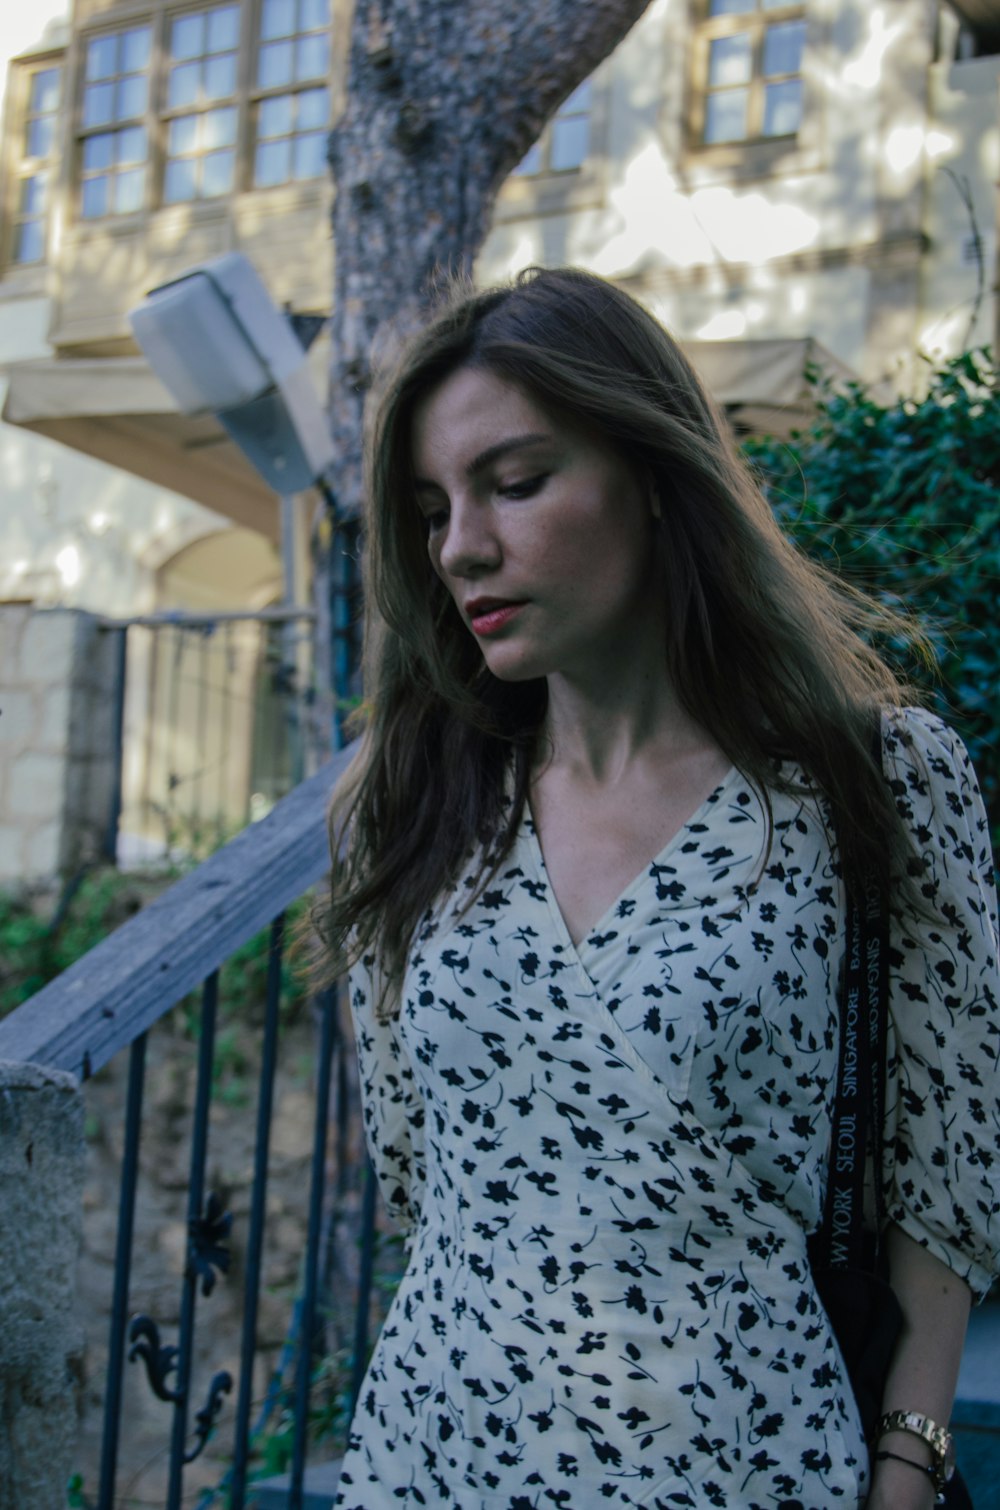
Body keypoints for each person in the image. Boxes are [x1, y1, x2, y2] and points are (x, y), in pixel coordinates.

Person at [323, 266, 1000, 1510]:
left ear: (650, 474)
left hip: (742, 1458)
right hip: (438, 1454)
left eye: (515, 483)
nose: (463, 545)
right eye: (431, 508)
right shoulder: (408, 804)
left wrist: (908, 1459)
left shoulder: (877, 781)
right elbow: (428, 1185)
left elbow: (942, 1182)